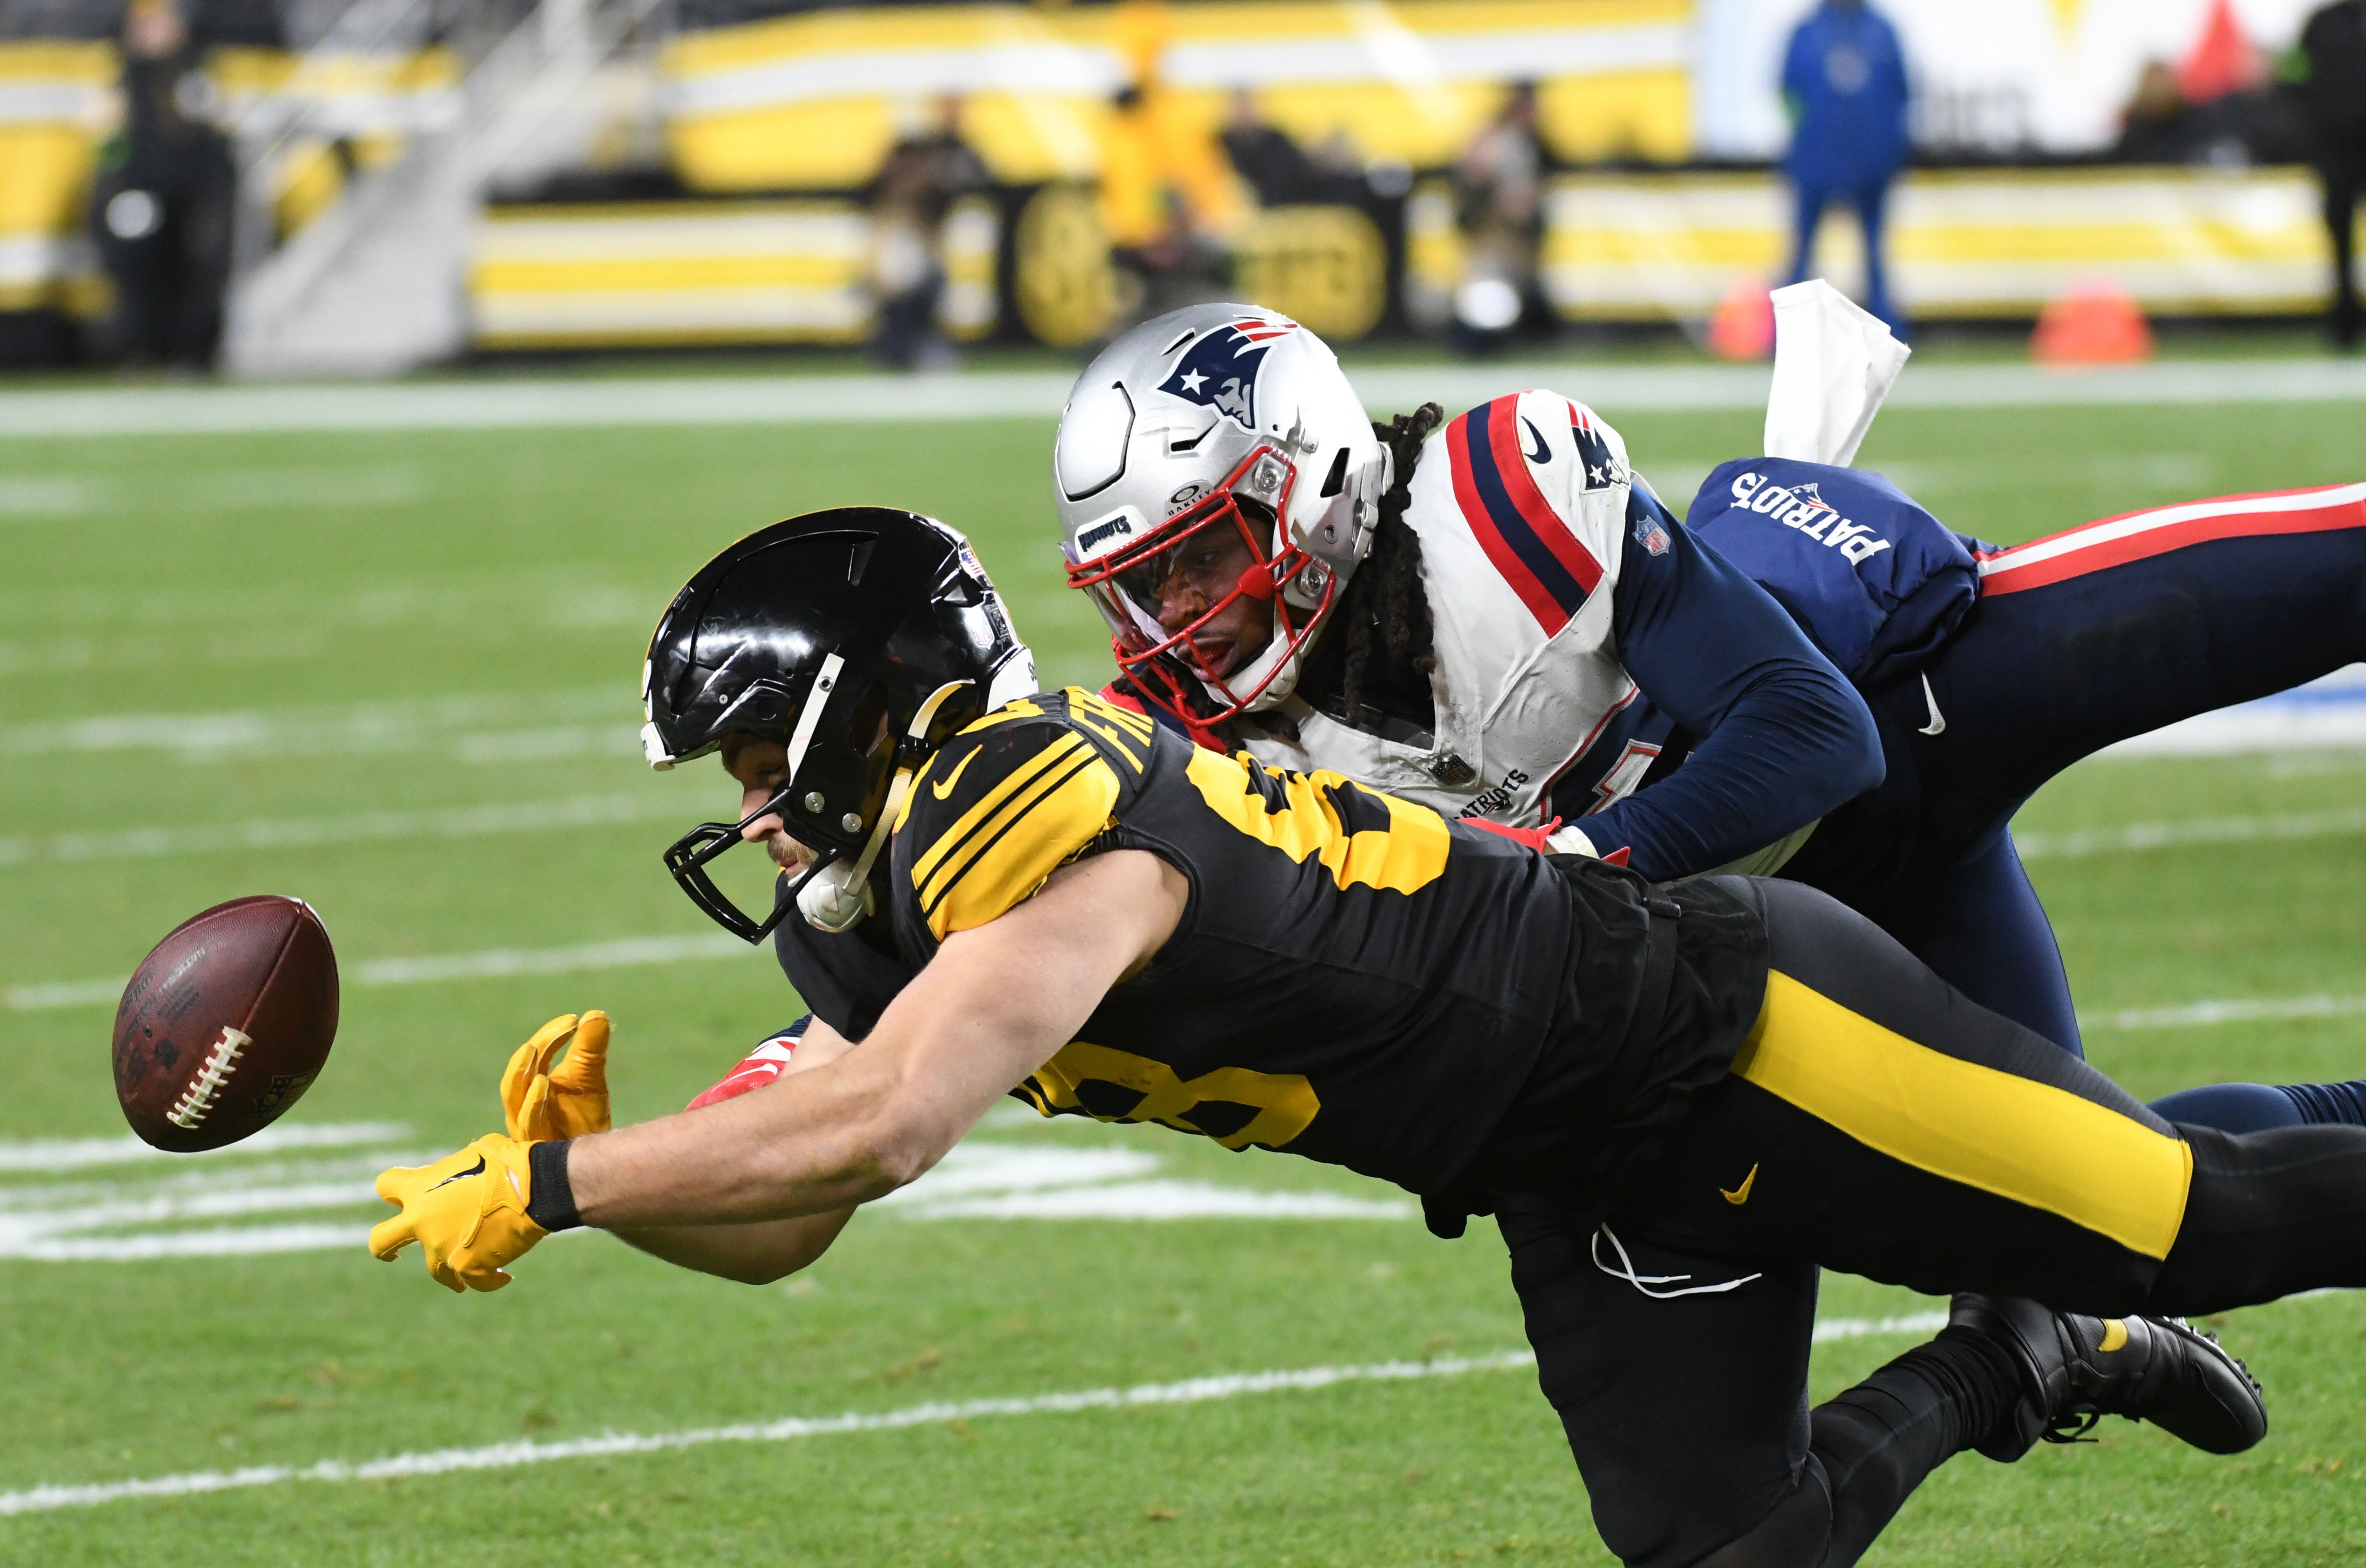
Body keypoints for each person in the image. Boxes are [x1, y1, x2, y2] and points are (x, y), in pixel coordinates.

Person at [376, 505, 2366, 1568]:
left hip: (1704, 1024)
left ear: (855, 714)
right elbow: (793, 1210)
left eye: (749, 754)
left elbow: (890, 1124)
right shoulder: (907, 891)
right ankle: (2006, 1350)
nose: (741, 808)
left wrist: (559, 1176)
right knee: (1727, 1541)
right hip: (1562, 1162)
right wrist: (615, 1199)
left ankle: (2078, 1290)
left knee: (2195, 1214)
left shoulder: (1024, 797)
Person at [1050, 301, 2366, 1135]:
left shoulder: (1494, 505)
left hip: (1918, 702)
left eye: (1193, 561)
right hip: (1777, 924)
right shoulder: (1195, 729)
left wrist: (1566, 871)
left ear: (1314, 483)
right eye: (1139, 583)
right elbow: (1010, 885)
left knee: (2328, 570)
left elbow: (1812, 736)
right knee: (2109, 1231)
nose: (1174, 616)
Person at [88, 0, 235, 370]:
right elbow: (108, 143)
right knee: (138, 273)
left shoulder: (197, 70)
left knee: (197, 270)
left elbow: (216, 134)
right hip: (140, 190)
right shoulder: (123, 77)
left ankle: (192, 354)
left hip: (191, 193)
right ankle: (142, 351)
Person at [1779, 0, 1910, 333]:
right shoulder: (1806, 32)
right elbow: (1786, 93)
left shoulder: (1881, 31)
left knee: (1875, 257)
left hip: (1869, 163)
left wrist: (1886, 147)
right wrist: (1806, 138)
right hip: (1816, 163)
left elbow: (1901, 94)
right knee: (1800, 256)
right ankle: (1787, 336)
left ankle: (1887, 334)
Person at [2292, 0, 2366, 347]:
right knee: (2338, 236)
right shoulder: (2320, 23)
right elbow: (2291, 74)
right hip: (2335, 148)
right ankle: (2344, 322)